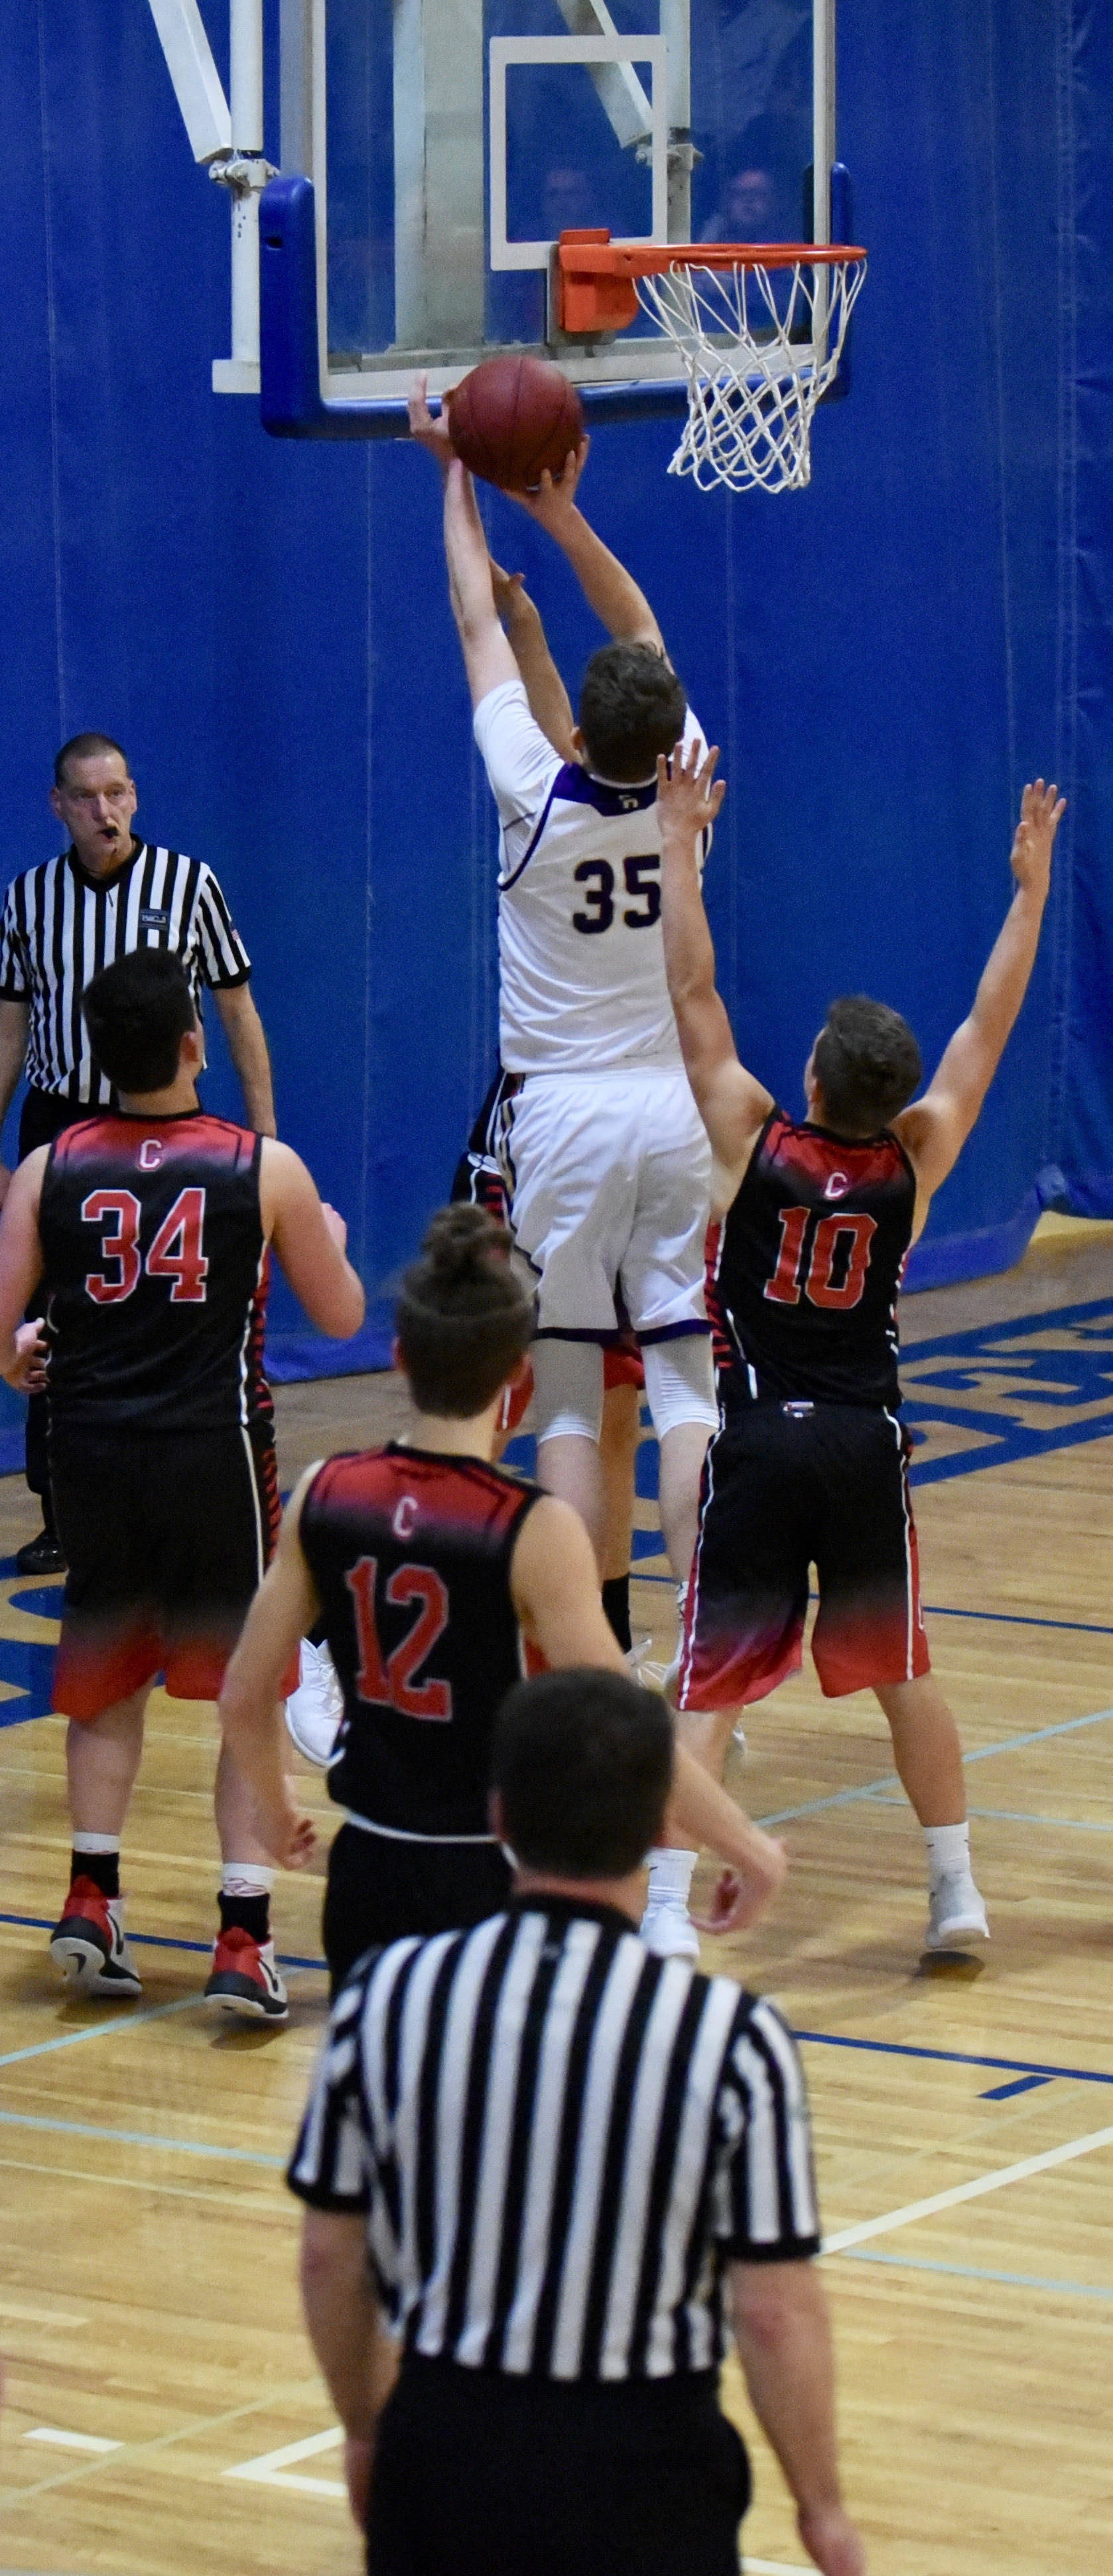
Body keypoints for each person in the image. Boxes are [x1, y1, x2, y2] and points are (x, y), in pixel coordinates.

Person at [288, 1668, 864, 2576]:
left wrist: (365, 2431)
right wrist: (821, 2506)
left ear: (500, 1816)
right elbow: (772, 2311)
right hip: (645, 2469)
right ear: (656, 1831)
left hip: (450, 2447)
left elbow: (330, 2261)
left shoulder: (389, 1995)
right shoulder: (729, 2036)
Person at [654, 741, 1067, 1951]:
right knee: (900, 1675)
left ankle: (669, 1918)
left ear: (811, 1077)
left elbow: (691, 998)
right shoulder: (911, 1163)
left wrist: (680, 844)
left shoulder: (751, 1143)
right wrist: (1029, 891)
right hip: (861, 1443)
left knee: (712, 1683)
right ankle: (955, 1895)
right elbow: (984, 1032)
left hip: (759, 1440)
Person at [221, 1203, 785, 1989]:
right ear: (517, 1374)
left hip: (366, 1872)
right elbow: (623, 1729)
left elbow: (246, 1692)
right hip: (482, 1879)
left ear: (399, 1357)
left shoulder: (327, 1492)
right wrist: (748, 1845)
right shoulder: (530, 1529)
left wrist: (275, 1809)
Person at [0, 950, 364, 2020]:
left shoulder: (46, 1167)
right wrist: (330, 1237)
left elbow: (6, 1338)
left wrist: (24, 1348)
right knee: (246, 1690)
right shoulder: (262, 1167)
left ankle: (91, 1893)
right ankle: (244, 1937)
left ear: (94, 1058)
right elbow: (343, 1317)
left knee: (106, 1681)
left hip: (93, 1458)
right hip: (213, 1457)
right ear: (194, 1043)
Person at [407, 394, 719, 1628]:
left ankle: (577, 1643)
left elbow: (473, 616)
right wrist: (564, 512)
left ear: (575, 731)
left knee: (573, 1399)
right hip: (674, 1106)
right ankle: (700, 1649)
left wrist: (453, 472)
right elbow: (634, 624)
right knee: (688, 1387)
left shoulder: (533, 795)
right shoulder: (687, 785)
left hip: (562, 1118)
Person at [0, 731, 277, 1571]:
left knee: (166, 1305)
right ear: (58, 805)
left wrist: (264, 1139)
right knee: (55, 1316)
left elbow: (238, 1012)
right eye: (86, 797)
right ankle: (62, 1505)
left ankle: (186, 1492)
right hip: (60, 1121)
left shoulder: (189, 885)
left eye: (118, 792)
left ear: (136, 796)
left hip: (164, 1121)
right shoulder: (29, 898)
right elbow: (11, 1029)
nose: (105, 810)